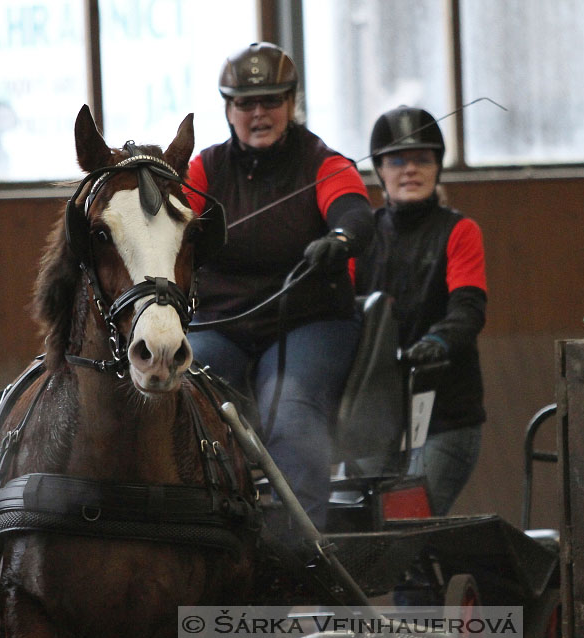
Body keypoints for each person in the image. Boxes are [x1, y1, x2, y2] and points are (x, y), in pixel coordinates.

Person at [181, 42, 374, 529]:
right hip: (223, 322)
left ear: (291, 103)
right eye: (245, 103)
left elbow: (354, 211)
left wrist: (340, 239)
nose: (259, 112)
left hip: (308, 321)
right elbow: (171, 223)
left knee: (286, 406)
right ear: (228, 109)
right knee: (183, 392)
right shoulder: (204, 169)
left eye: (271, 100)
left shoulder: (324, 163)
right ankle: (199, 531)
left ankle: (302, 545)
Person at [353, 105, 488, 516]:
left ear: (437, 168)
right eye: (397, 160)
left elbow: (468, 308)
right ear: (380, 169)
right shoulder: (363, 235)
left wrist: (438, 341)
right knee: (358, 524)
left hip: (445, 414)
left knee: (407, 524)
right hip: (376, 413)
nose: (410, 169)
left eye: (422, 159)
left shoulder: (460, 231)